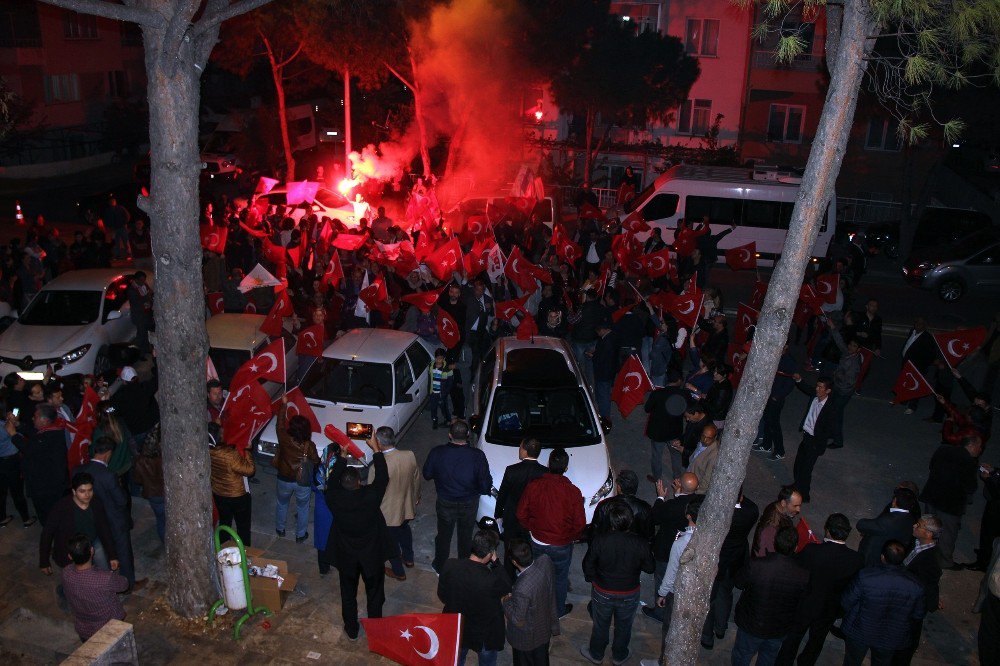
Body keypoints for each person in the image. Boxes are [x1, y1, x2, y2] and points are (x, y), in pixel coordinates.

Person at [776, 513, 864, 666]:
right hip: (829, 608)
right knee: (817, 640)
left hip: (805, 604)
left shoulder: (812, 550)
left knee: (794, 636)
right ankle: (806, 662)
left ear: (827, 530)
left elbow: (796, 567)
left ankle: (784, 662)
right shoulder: (856, 559)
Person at [325, 437, 391, 641]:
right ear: (360, 482)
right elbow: (383, 478)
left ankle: (352, 629)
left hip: (346, 555)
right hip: (371, 553)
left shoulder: (333, 497)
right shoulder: (370, 496)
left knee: (348, 595)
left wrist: (342, 458)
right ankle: (376, 630)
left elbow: (331, 483)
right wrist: (377, 451)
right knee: (375, 594)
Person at [580, 499, 654, 665]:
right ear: (630, 521)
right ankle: (619, 655)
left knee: (600, 625)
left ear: (611, 522)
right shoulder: (639, 543)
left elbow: (588, 563)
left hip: (602, 590)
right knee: (624, 625)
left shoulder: (600, 540)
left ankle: (596, 654)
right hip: (629, 591)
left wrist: (592, 578)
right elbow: (650, 567)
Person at [516, 447, 585, 619]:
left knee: (537, 575)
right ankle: (558, 610)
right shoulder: (573, 492)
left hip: (538, 541)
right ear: (566, 468)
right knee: (560, 578)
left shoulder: (534, 486)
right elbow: (580, 524)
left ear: (548, 464)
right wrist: (570, 537)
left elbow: (521, 513)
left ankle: (536, 606)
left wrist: (532, 527)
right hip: (562, 545)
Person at [731, 526, 810, 666]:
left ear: (775, 543)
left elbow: (738, 582)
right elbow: (801, 602)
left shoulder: (756, 565)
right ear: (796, 547)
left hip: (751, 624)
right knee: (768, 659)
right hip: (778, 628)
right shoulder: (803, 574)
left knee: (742, 656)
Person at [840, 541, 926, 666]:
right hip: (891, 636)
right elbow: (918, 615)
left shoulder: (866, 576)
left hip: (860, 631)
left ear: (882, 557)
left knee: (852, 661)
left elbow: (846, 601)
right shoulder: (916, 586)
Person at [423, 420, 492, 574]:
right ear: (468, 435)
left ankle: (440, 566)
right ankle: (463, 566)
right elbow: (485, 483)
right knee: (466, 535)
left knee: (443, 535)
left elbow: (427, 474)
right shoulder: (477, 455)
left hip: (445, 501)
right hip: (469, 502)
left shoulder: (437, 452)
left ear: (449, 435)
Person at [78, 437, 146, 592]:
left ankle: (106, 581)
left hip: (93, 520)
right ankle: (127, 584)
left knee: (102, 552)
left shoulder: (81, 469)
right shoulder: (108, 475)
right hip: (113, 520)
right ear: (108, 453)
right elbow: (121, 500)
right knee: (123, 552)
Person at [438, 528, 511, 666]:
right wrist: (496, 563)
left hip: (458, 627)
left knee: (457, 659)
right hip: (483, 634)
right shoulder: (491, 580)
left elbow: (442, 594)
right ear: (490, 554)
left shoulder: (450, 565)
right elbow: (507, 585)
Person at [700, 488, 759, 650]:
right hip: (735, 558)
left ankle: (707, 636)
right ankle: (720, 627)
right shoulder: (751, 510)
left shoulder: (719, 513)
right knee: (725, 594)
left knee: (710, 598)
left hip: (717, 558)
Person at [919, 434, 982, 569]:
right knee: (947, 533)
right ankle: (944, 562)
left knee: (927, 525)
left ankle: (922, 552)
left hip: (932, 495)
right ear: (971, 445)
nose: (980, 449)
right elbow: (970, 486)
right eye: (979, 446)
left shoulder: (943, 449)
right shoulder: (969, 462)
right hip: (950, 505)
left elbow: (932, 466)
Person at [367, 426, 420, 582]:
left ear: (379, 443)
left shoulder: (377, 466)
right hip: (407, 505)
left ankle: (399, 571)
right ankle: (409, 558)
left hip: (388, 512)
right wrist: (416, 496)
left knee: (391, 543)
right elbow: (416, 478)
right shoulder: (409, 455)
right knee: (404, 530)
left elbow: (372, 493)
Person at [39, 472, 118, 576]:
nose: (87, 495)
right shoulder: (62, 507)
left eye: (90, 490)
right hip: (71, 548)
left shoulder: (96, 503)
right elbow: (47, 532)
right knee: (75, 579)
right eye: (82, 491)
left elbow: (104, 529)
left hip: (93, 541)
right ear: (74, 491)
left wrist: (112, 555)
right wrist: (44, 561)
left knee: (105, 572)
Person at [645, 473, 699, 622]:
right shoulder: (699, 504)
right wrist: (678, 494)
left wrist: (661, 497)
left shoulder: (671, 506)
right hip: (690, 551)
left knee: (663, 579)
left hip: (665, 551)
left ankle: (660, 611)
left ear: (681, 485)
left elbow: (655, 517)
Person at [893, 515, 943, 666]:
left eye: (919, 525)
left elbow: (928, 586)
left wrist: (933, 601)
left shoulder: (930, 561)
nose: (915, 525)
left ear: (928, 534)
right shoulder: (916, 543)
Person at [61, 534, 129, 642]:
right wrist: (113, 573)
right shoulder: (104, 579)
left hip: (84, 630)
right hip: (109, 628)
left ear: (70, 556)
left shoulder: (66, 573)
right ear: (92, 551)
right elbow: (124, 584)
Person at [502, 538, 559, 665]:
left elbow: (517, 619)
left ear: (515, 562)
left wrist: (506, 601)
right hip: (544, 629)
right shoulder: (545, 560)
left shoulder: (522, 588)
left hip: (526, 639)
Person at [495, 438, 547, 576]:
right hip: (532, 521)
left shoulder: (512, 470)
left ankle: (508, 581)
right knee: (528, 552)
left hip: (512, 518)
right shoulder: (545, 473)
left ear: (525, 450)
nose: (519, 449)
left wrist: (498, 515)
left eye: (520, 447)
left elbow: (502, 495)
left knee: (509, 552)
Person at [10, 403, 68, 525]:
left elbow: (29, 448)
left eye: (35, 417)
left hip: (46, 487)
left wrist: (13, 434)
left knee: (48, 517)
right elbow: (34, 434)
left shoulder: (49, 436)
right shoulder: (51, 431)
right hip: (50, 485)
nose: (32, 418)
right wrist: (18, 425)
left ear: (44, 420)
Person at [272, 403, 321, 542]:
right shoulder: (309, 446)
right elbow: (316, 461)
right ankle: (300, 535)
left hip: (284, 478)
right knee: (303, 508)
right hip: (302, 482)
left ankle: (280, 529)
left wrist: (284, 404)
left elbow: (279, 423)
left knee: (282, 504)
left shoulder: (283, 437)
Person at [208, 422, 255, 547]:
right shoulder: (229, 455)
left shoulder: (207, 450)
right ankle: (244, 552)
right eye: (221, 433)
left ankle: (223, 547)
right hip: (237, 494)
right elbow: (249, 470)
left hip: (219, 493)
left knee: (224, 522)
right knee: (243, 526)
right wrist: (247, 451)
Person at [790, 375, 836, 502]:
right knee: (798, 465)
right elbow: (807, 388)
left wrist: (818, 444)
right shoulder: (815, 397)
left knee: (806, 469)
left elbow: (829, 430)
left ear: (828, 391)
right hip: (806, 437)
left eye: (821, 387)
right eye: (817, 385)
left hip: (815, 442)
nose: (817, 389)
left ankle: (804, 495)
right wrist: (799, 380)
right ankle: (797, 485)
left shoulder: (830, 408)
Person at [753, 342, 799, 460]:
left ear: (786, 347)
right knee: (768, 420)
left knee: (774, 423)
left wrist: (777, 396)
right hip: (769, 395)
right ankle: (767, 444)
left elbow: (790, 383)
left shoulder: (789, 362)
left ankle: (780, 450)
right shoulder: (775, 357)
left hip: (776, 398)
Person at [857, 487, 920, 567]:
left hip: (874, 556)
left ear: (894, 501)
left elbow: (861, 525)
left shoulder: (889, 521)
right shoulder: (911, 520)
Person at [644, 368, 688, 482]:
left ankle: (657, 479)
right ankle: (677, 478)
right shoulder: (683, 394)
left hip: (657, 431)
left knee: (657, 456)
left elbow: (647, 408)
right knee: (676, 455)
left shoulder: (657, 394)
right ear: (679, 380)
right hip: (674, 432)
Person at [590, 469, 652, 540]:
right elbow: (649, 535)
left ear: (619, 487)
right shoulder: (645, 508)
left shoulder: (604, 505)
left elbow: (595, 531)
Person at [0, 400, 32, 527]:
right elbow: (18, 435)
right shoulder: (5, 427)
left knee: (1, 491)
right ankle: (26, 519)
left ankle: (2, 517)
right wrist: (14, 421)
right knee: (17, 491)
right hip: (11, 461)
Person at [131, 424, 165, 544]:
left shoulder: (141, 460)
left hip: (152, 495)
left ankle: (165, 544)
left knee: (161, 520)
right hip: (167, 494)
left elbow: (137, 480)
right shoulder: (165, 458)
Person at [900, 317, 937, 415]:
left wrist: (920, 367)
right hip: (907, 363)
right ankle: (904, 399)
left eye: (920, 324)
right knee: (906, 382)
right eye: (916, 323)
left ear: (925, 326)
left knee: (915, 386)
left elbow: (931, 355)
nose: (917, 325)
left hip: (917, 367)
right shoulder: (912, 331)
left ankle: (912, 406)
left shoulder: (928, 338)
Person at [753, 486, 803, 557]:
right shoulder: (772, 524)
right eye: (795, 506)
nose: (798, 510)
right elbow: (765, 552)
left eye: (800, 505)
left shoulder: (778, 506)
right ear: (783, 503)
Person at [126, 271, 153, 355]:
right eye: (141, 280)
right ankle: (138, 353)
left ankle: (145, 350)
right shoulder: (132, 290)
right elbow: (138, 303)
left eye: (144, 280)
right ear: (136, 280)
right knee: (141, 335)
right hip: (139, 316)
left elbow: (149, 294)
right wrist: (147, 299)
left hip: (145, 314)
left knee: (145, 334)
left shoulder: (143, 286)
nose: (143, 282)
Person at [687, 423, 720, 492]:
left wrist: (696, 494)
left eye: (709, 438)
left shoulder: (714, 456)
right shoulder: (702, 442)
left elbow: (706, 480)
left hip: (696, 486)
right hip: (691, 474)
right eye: (703, 436)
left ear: (715, 437)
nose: (704, 440)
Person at [429, 348, 453, 429]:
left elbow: (450, 383)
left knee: (444, 408)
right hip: (433, 393)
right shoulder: (431, 366)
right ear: (435, 358)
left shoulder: (447, 368)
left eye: (441, 358)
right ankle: (434, 420)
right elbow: (430, 379)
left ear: (444, 358)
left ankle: (448, 420)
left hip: (442, 393)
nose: (439, 360)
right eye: (437, 358)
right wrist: (429, 391)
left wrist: (445, 393)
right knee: (433, 408)